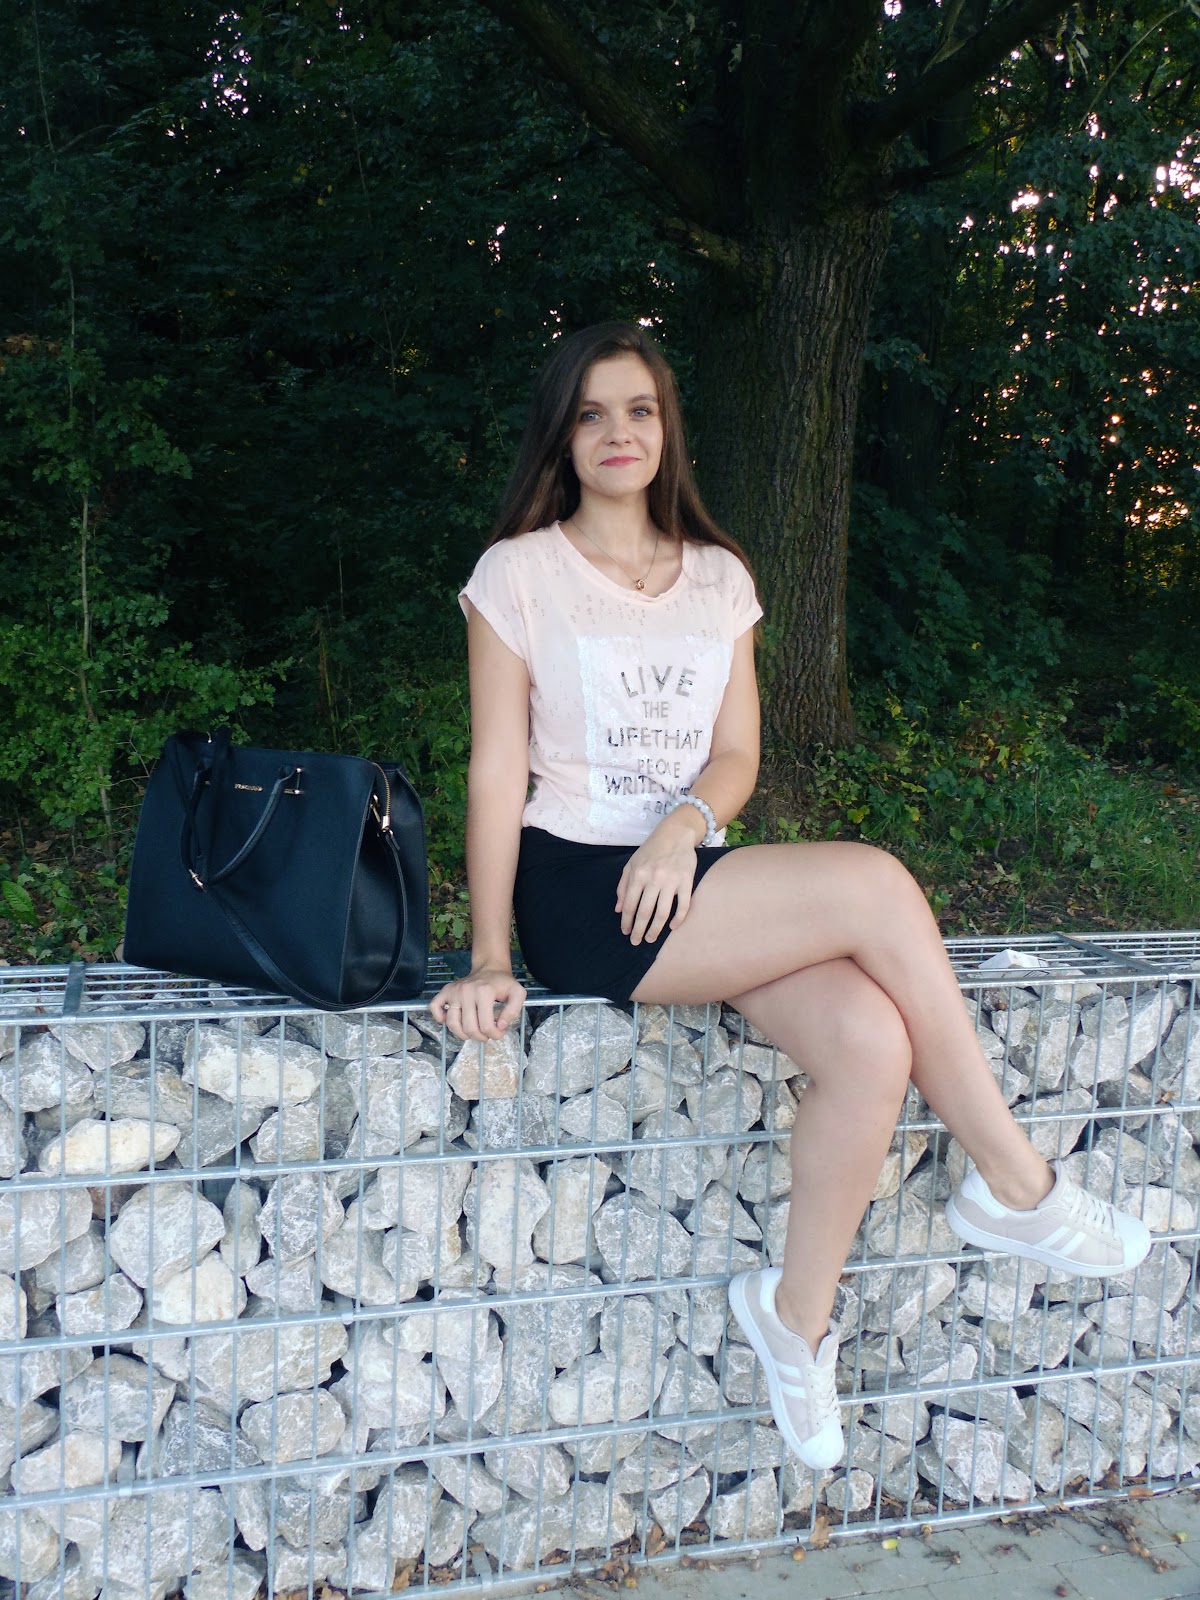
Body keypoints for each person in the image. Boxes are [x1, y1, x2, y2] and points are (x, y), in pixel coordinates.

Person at [428, 321, 1153, 1471]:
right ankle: (1018, 1182)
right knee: (877, 883)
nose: (619, 433)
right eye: (592, 413)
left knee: (870, 1041)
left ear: (667, 429)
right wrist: (487, 954)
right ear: (561, 437)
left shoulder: (720, 578)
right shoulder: (517, 574)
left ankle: (794, 1319)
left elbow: (736, 759)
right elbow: (493, 770)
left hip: (691, 876)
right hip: (582, 890)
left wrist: (682, 828)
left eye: (639, 410)